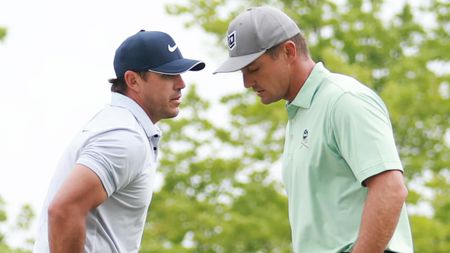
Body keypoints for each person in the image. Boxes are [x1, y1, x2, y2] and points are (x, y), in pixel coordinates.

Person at [214, 6, 413, 253]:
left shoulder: (344, 100)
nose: (246, 82)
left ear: (289, 51)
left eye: (253, 68)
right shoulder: (300, 114)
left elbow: (391, 189)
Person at [33, 30, 205, 253]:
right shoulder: (124, 137)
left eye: (181, 74)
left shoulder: (122, 126)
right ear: (133, 80)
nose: (181, 84)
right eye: (167, 75)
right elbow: (64, 210)